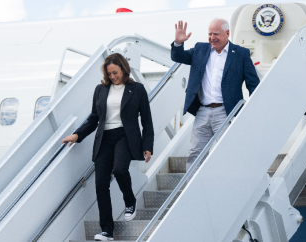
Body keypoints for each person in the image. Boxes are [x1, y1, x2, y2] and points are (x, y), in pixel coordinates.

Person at [62, 53, 154, 241]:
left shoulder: (137, 89)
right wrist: (77, 135)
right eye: (109, 73)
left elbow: (146, 120)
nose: (112, 76)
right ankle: (107, 231)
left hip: (125, 137)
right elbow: (94, 118)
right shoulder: (101, 90)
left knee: (120, 170)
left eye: (115, 72)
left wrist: (147, 145)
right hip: (104, 138)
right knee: (100, 185)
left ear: (123, 69)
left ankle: (130, 201)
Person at [171, 19, 260, 174]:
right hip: (202, 111)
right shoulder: (200, 49)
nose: (212, 37)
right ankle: (192, 193)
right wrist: (178, 44)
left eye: (216, 34)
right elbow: (179, 57)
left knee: (226, 153)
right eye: (210, 34)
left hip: (226, 112)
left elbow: (253, 84)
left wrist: (254, 110)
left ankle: (226, 189)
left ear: (227, 33)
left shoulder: (241, 54)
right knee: (195, 154)